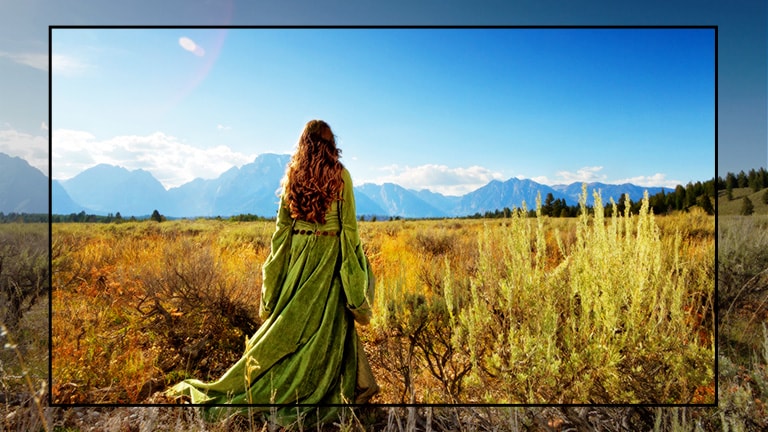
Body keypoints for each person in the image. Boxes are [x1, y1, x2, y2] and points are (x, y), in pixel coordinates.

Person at [167, 119, 378, 425]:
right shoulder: (341, 176)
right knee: (326, 331)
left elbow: (281, 234)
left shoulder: (293, 175)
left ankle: (268, 385)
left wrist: (275, 280)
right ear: (332, 144)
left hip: (298, 261)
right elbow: (349, 231)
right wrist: (356, 275)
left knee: (288, 327)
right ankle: (315, 389)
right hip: (329, 259)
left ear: (303, 143)